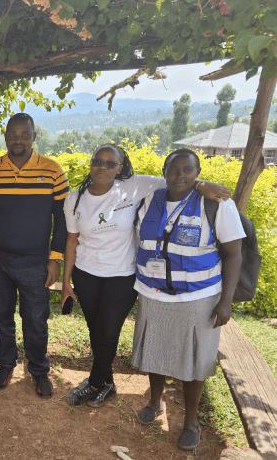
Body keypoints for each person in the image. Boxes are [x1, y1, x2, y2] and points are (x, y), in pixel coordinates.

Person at [61, 144, 231, 408]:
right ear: (91, 163)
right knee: (96, 331)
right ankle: (107, 383)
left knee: (108, 332)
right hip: (86, 274)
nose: (103, 167)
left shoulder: (134, 185)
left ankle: (94, 383)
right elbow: (71, 242)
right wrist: (66, 282)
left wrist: (201, 185)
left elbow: (177, 178)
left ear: (120, 167)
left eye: (110, 163)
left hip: (122, 275)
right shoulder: (74, 198)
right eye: (98, 161)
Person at [132, 148, 243, 451]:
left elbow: (234, 254)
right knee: (155, 350)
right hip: (153, 294)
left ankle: (191, 420)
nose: (180, 175)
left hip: (199, 297)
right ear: (164, 170)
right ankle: (155, 402)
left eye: (188, 170)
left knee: (194, 360)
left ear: (197, 173)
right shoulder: (148, 201)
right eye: (174, 169)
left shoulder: (216, 204)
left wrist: (226, 301)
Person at [0, 113, 69, 397]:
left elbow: (62, 220)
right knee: (2, 317)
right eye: (12, 135)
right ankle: (5, 363)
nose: (18, 140)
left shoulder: (53, 171)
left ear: (34, 136)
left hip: (36, 262)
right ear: (5, 137)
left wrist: (55, 258)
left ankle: (39, 369)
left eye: (24, 134)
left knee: (36, 319)